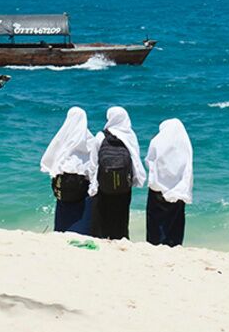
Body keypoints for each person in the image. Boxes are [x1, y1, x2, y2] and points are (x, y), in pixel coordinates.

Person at [89, 106, 146, 240]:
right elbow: (135, 160)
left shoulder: (100, 136)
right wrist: (136, 180)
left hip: (103, 184)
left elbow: (93, 163)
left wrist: (93, 184)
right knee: (121, 216)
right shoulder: (130, 136)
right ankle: (120, 238)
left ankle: (102, 238)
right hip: (124, 186)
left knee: (102, 215)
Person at [40, 106, 94, 234]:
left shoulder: (62, 138)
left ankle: (61, 232)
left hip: (64, 185)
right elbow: (93, 165)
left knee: (64, 213)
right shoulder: (90, 140)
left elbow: (50, 160)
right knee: (82, 215)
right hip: (83, 185)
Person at [145, 118, 193, 247]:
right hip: (178, 189)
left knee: (155, 221)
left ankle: (155, 244)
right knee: (176, 220)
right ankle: (174, 244)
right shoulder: (185, 144)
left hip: (158, 187)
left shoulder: (156, 141)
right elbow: (188, 168)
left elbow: (149, 160)